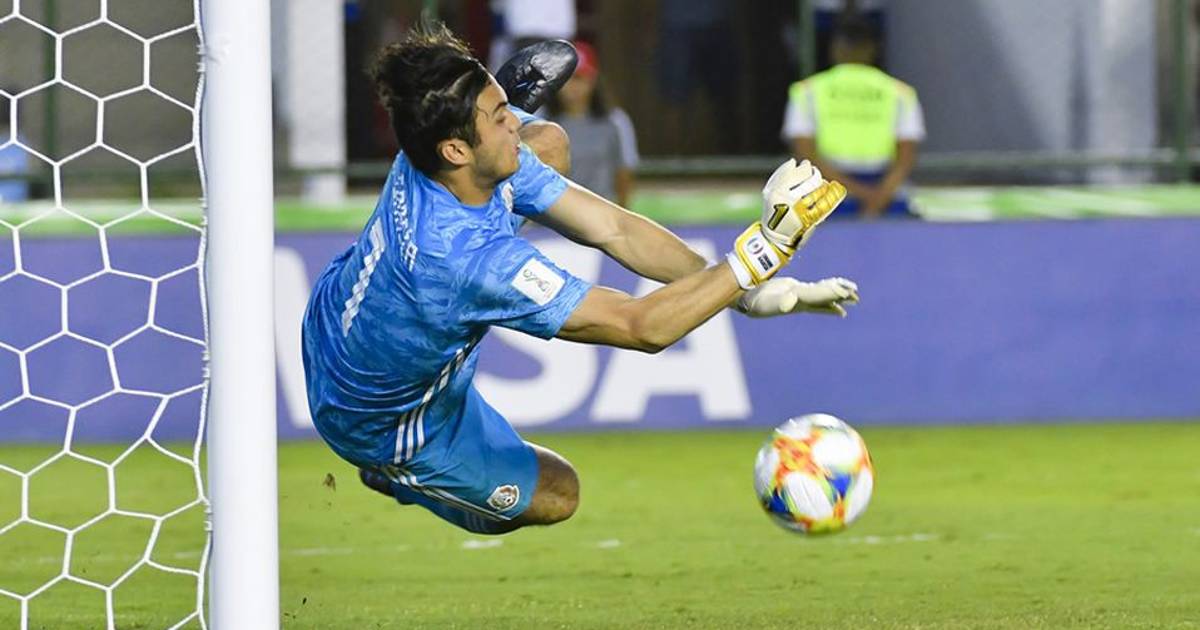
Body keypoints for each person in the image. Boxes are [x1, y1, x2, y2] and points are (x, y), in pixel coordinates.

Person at [301, 22, 859, 536]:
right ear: (455, 149)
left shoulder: (424, 147)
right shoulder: (470, 262)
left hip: (338, 313)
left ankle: (492, 99)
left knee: (548, 145)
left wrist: (745, 296)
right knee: (556, 493)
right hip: (384, 418)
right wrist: (764, 251)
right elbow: (641, 327)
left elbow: (615, 229)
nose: (513, 124)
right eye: (499, 116)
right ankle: (396, 474)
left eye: (506, 107)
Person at [782, 17, 924, 219]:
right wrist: (877, 197)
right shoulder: (900, 92)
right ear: (871, 49)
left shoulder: (807, 91)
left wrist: (859, 193)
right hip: (881, 188)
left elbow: (805, 155)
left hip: (827, 186)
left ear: (835, 49)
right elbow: (905, 158)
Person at [545, 41, 639, 207]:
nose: (571, 86)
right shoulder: (543, 122)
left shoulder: (615, 122)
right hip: (558, 212)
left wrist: (622, 211)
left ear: (592, 80)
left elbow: (624, 172)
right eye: (565, 79)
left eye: (578, 78)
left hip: (601, 210)